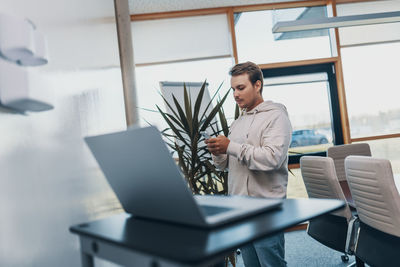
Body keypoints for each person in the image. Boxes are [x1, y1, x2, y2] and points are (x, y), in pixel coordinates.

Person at [205, 61, 292, 267]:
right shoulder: (238, 122)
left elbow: (272, 158)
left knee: (272, 264)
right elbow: (225, 165)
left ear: (257, 85)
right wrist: (218, 152)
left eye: (240, 88)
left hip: (266, 210)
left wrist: (231, 146)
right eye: (233, 89)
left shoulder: (276, 116)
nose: (235, 94)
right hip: (240, 209)